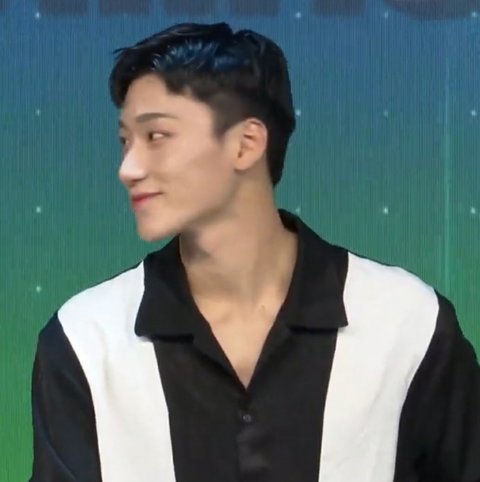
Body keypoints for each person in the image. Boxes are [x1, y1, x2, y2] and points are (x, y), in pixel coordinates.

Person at [29, 22, 480, 482]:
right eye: (125, 141)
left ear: (247, 143)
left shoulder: (409, 324)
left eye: (156, 136)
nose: (129, 168)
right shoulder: (86, 340)